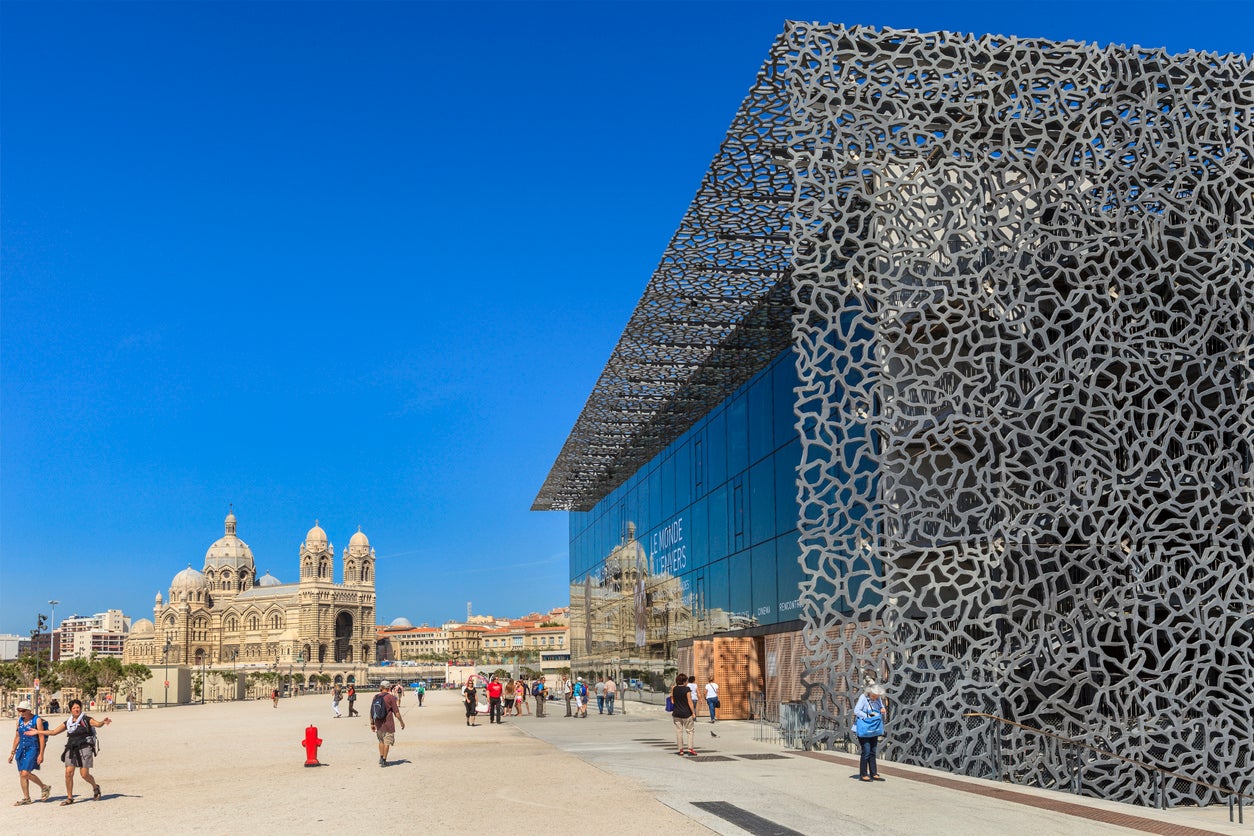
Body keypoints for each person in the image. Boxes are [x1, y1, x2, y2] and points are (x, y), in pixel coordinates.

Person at [24, 698, 112, 805]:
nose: (76, 710)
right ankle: (70, 798)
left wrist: (103, 722)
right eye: (74, 708)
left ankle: (95, 787)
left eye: (78, 707)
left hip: (85, 748)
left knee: (84, 774)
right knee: (68, 773)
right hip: (71, 749)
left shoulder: (86, 719)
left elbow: (97, 724)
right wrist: (38, 731)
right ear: (70, 710)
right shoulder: (68, 723)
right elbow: (54, 732)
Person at [9, 701, 50, 805]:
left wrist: (41, 753)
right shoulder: (19, 720)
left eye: (23, 710)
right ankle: (26, 798)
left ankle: (44, 787)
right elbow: (17, 736)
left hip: (33, 748)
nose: (21, 713)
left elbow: (41, 737)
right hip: (21, 749)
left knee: (25, 773)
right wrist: (12, 752)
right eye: (19, 710)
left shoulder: (37, 720)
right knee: (22, 775)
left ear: (29, 710)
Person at [854, 684, 888, 782]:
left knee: (873, 751)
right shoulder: (863, 697)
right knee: (866, 751)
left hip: (874, 728)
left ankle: (874, 773)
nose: (875, 698)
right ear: (869, 692)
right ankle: (863, 774)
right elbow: (857, 710)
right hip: (864, 728)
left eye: (877, 696)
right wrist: (867, 716)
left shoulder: (878, 700)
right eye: (874, 696)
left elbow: (881, 710)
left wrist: (883, 711)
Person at [370, 680, 404, 767]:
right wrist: (401, 722)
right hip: (388, 723)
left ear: (381, 687)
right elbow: (396, 712)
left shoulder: (376, 697)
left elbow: (371, 711)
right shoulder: (391, 697)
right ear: (389, 688)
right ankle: (384, 760)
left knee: (381, 740)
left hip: (378, 723)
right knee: (387, 742)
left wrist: (372, 723)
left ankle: (381, 758)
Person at [671, 674, 696, 756]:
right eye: (686, 681)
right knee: (690, 731)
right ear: (684, 681)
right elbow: (690, 702)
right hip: (686, 713)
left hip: (676, 713)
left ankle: (681, 750)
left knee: (679, 732)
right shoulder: (687, 689)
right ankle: (690, 749)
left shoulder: (674, 689)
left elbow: (672, 701)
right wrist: (693, 712)